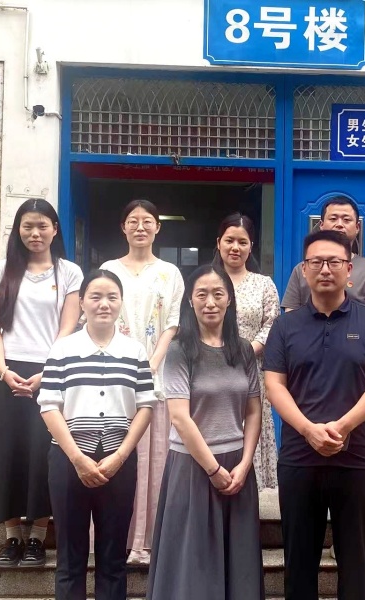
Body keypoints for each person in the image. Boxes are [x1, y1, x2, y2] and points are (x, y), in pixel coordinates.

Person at [264, 230, 365, 600]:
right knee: (299, 561)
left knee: (356, 562)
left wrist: (343, 426)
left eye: (334, 262)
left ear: (349, 270)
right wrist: (308, 430)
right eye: (316, 262)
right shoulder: (285, 325)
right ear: (304, 270)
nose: (325, 269)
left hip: (357, 459)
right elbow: (274, 386)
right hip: (299, 458)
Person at [0, 198, 82, 567]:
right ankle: (12, 537)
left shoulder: (69, 273)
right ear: (18, 230)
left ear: (54, 229)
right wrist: (3, 371)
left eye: (42, 226)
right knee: (6, 452)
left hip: (51, 371)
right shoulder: (3, 270)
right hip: (7, 373)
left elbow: (68, 327)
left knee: (43, 453)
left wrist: (48, 371)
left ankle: (37, 537)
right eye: (28, 226)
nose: (35, 233)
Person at [147, 265, 264, 600]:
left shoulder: (243, 350)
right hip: (193, 467)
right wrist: (213, 469)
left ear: (229, 299)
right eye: (202, 294)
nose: (210, 302)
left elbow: (253, 410)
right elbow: (180, 417)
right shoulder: (179, 350)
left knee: (238, 562)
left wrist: (245, 463)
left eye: (218, 294)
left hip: (237, 467)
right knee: (193, 562)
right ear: (190, 300)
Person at [38, 269, 156, 600]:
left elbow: (146, 406)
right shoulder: (62, 350)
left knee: (113, 559)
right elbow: (49, 406)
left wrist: (120, 456)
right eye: (95, 297)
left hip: (119, 461)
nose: (104, 304)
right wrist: (77, 459)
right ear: (81, 302)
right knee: (69, 559)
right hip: (68, 461)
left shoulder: (135, 352)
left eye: (112, 297)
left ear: (121, 303)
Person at [100, 199, 184, 564]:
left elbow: (172, 323)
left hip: (155, 375)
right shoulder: (108, 269)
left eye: (147, 221)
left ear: (157, 227)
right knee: (118, 454)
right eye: (132, 220)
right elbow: (100, 318)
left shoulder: (170, 273)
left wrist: (151, 363)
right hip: (114, 377)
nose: (140, 227)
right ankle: (115, 536)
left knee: (155, 459)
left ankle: (149, 538)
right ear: (123, 227)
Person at [214, 212, 280, 490]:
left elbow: (272, 324)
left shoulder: (264, 284)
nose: (235, 247)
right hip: (210, 370)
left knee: (252, 426)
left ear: (251, 246)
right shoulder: (207, 282)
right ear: (218, 242)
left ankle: (249, 490)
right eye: (229, 240)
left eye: (242, 242)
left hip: (250, 371)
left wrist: (245, 352)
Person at [281, 196, 365, 315]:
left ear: (357, 227)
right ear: (321, 225)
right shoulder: (302, 269)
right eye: (333, 219)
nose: (339, 224)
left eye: (346, 220)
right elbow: (290, 315)